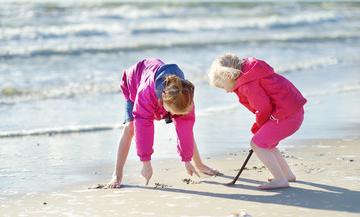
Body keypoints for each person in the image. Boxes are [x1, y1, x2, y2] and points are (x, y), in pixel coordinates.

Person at [108, 59, 219, 188]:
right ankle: (117, 174)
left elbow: (185, 130)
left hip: (166, 93)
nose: (176, 116)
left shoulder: (184, 95)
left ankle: (199, 164)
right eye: (173, 113)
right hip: (135, 83)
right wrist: (146, 162)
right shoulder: (145, 93)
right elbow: (143, 126)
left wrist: (187, 160)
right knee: (131, 127)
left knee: (184, 126)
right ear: (164, 102)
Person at [208, 53, 307, 190]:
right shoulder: (251, 75)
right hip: (293, 113)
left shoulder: (248, 85)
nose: (225, 91)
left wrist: (260, 125)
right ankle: (287, 175)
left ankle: (280, 179)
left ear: (228, 76)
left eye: (222, 86)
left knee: (257, 143)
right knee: (268, 143)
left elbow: (263, 108)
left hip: (286, 116)